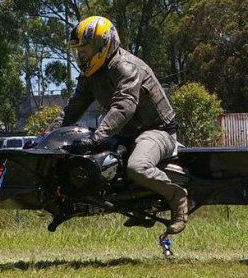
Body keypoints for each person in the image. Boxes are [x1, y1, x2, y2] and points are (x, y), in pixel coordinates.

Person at [47, 16, 189, 234]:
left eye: (86, 48)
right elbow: (73, 109)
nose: (82, 55)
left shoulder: (125, 66)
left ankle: (177, 198)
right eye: (79, 50)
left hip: (157, 131)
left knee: (137, 167)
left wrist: (97, 138)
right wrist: (46, 138)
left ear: (104, 43)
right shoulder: (91, 73)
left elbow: (124, 106)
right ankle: (139, 206)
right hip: (126, 134)